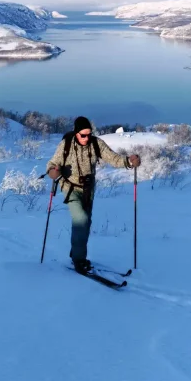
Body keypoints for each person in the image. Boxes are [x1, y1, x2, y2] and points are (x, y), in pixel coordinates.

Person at [46, 116, 141, 273]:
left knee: (86, 224)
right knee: (81, 220)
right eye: (83, 135)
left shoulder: (96, 143)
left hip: (88, 190)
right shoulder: (66, 145)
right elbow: (52, 164)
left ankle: (76, 252)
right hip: (70, 187)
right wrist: (53, 172)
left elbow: (113, 158)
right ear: (76, 133)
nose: (87, 137)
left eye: (89, 134)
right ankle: (78, 259)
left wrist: (129, 162)